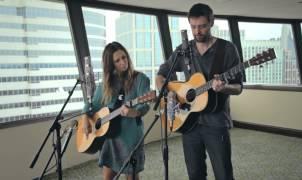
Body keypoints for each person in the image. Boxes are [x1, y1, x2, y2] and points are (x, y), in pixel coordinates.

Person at [156, 3, 243, 180]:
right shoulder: (183, 50)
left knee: (224, 174)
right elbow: (161, 75)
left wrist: (224, 86)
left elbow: (239, 87)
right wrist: (169, 93)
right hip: (189, 122)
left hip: (216, 122)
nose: (197, 32)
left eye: (202, 26)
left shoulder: (227, 49)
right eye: (193, 27)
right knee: (195, 174)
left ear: (211, 22)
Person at [83, 41, 150, 180]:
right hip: (110, 138)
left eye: (124, 57)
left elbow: (145, 105)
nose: (123, 62)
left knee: (132, 177)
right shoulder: (107, 84)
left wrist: (134, 112)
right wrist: (85, 119)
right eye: (117, 60)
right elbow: (91, 105)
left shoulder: (140, 79)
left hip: (130, 137)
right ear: (110, 64)